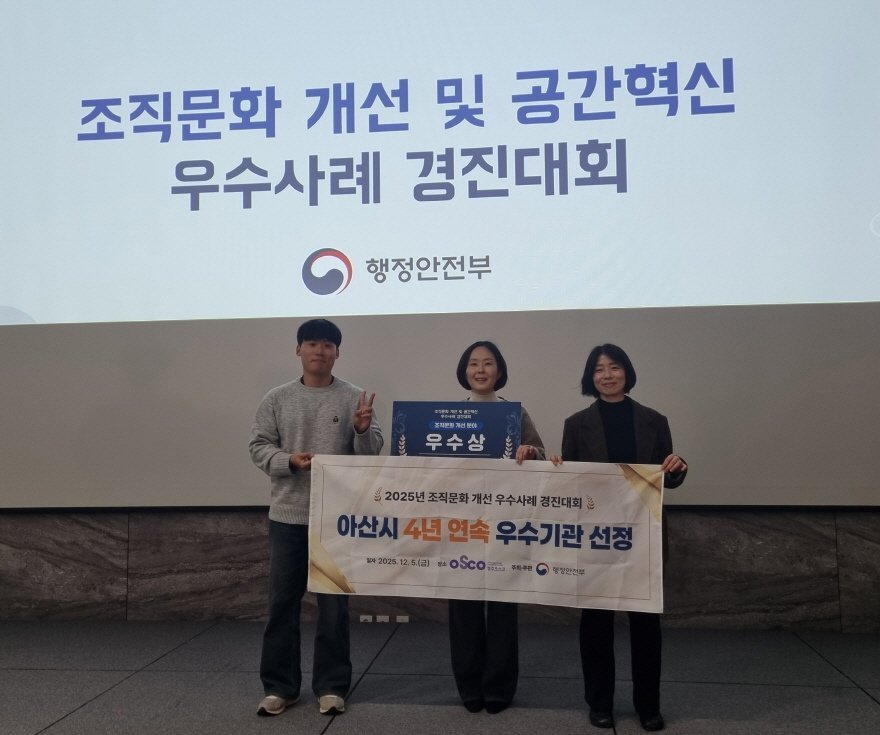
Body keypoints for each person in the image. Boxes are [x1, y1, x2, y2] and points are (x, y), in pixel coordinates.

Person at [248, 318, 383, 718]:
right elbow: (258, 447)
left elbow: (371, 453)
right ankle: (280, 687)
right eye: (311, 343)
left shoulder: (355, 397)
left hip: (334, 519)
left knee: (334, 609)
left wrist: (362, 430)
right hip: (288, 516)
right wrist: (288, 460)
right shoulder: (277, 398)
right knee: (282, 605)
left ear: (337, 352)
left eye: (327, 345)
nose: (319, 351)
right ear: (298, 350)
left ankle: (331, 686)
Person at [554, 343, 687, 732]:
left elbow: (666, 477)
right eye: (599, 370)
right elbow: (572, 485)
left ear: (627, 372)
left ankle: (648, 706)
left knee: (646, 627)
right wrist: (558, 469)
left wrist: (677, 467)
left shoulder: (654, 420)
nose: (607, 375)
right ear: (590, 378)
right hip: (595, 537)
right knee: (595, 625)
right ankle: (600, 703)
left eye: (614, 367)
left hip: (642, 537)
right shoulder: (576, 424)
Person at [448, 340, 547, 714]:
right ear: (464, 371)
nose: (480, 370)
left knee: (503, 607)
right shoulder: (448, 415)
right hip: (461, 523)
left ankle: (499, 688)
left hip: (505, 523)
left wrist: (530, 453)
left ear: (500, 371)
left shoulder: (515, 414)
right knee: (464, 607)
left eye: (488, 363)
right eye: (473, 363)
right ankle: (469, 685)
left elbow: (541, 454)